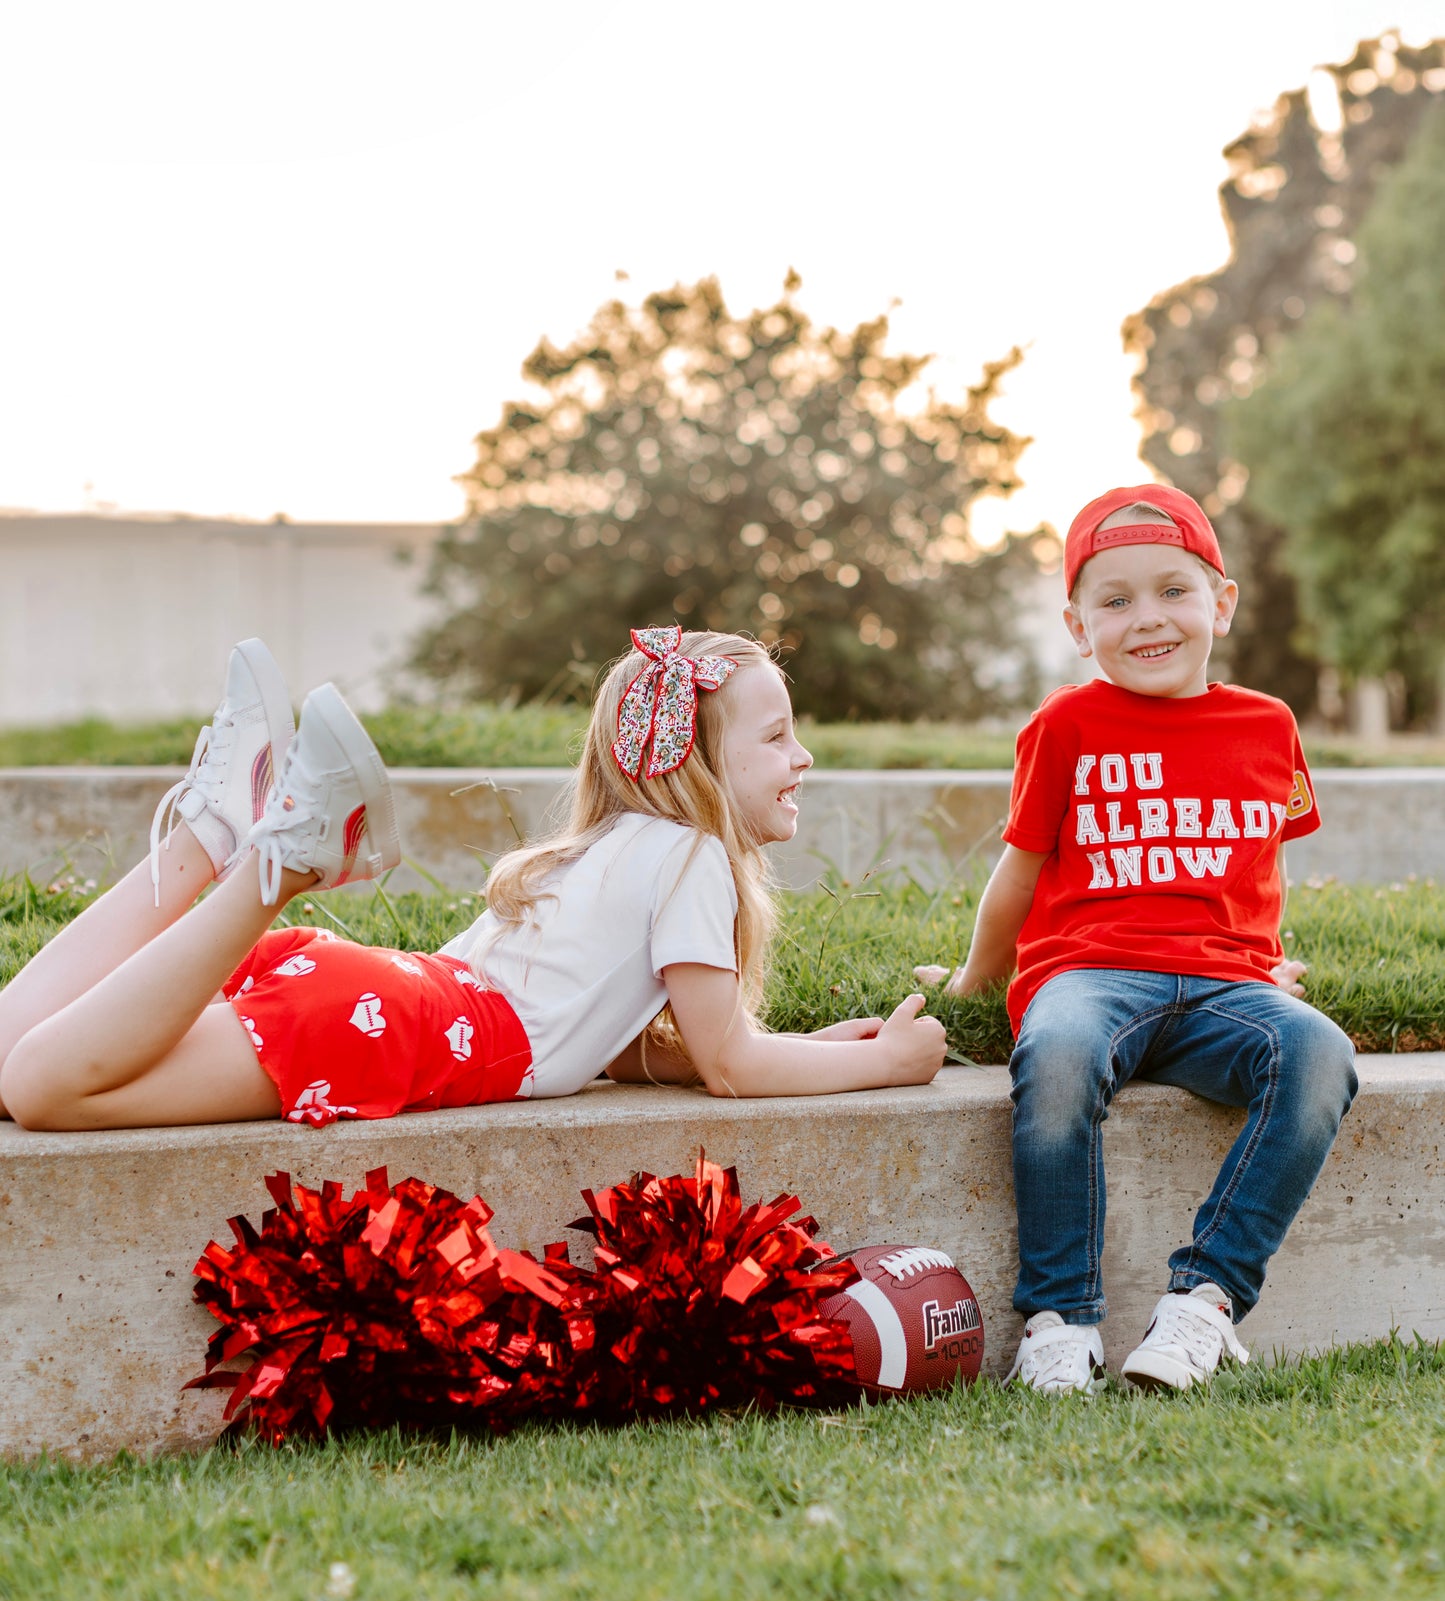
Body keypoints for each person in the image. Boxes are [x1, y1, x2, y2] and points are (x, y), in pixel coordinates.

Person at [0, 627, 945, 1131]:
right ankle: (278, 861)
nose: (804, 756)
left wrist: (807, 1047)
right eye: (776, 736)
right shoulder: (695, 857)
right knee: (46, 1088)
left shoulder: (620, 842)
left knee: (17, 1054)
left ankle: (211, 833)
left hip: (383, 998)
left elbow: (635, 1049)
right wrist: (882, 1063)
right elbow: (733, 1066)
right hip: (406, 1032)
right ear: (692, 759)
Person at [934, 484, 1357, 1395]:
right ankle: (1060, 1320)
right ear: (1078, 626)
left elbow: (1254, 860)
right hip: (1089, 974)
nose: (1148, 618)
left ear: (1222, 603)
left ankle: (1200, 1303)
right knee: (1056, 1055)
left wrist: (1261, 957)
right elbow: (1017, 869)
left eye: (1173, 589)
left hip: (1221, 987)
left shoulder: (1268, 725)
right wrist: (976, 977)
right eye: (1114, 600)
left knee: (1318, 1050)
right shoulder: (1065, 724)